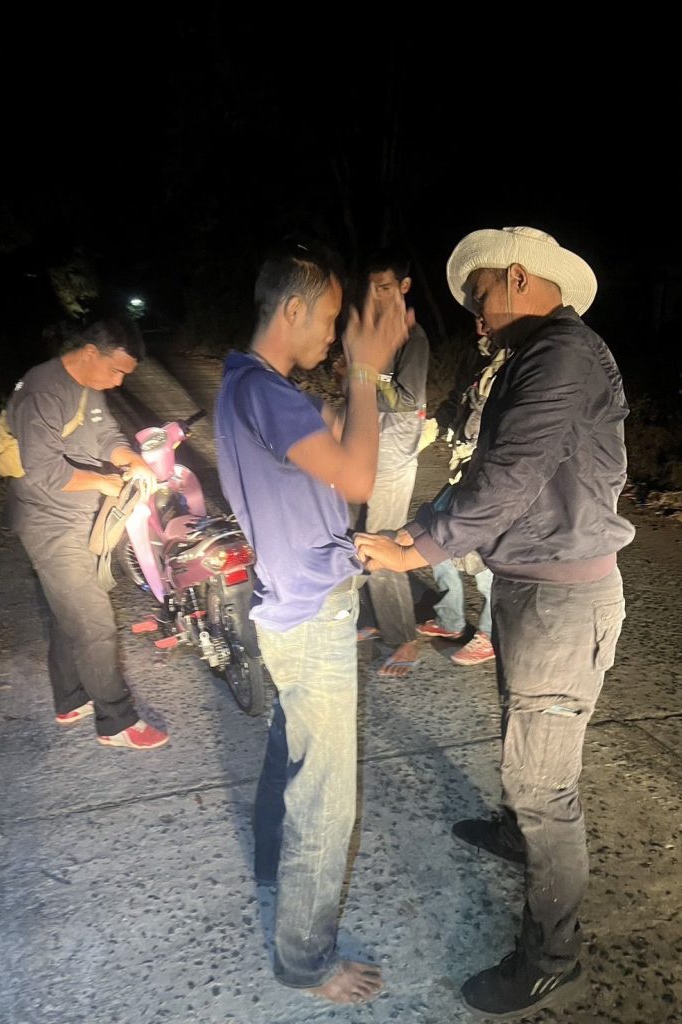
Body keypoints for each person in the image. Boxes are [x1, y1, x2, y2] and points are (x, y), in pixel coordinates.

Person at [354, 226, 634, 1019]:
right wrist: (414, 533)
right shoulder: (533, 356)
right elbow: (483, 470)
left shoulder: (561, 355)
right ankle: (517, 832)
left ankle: (552, 960)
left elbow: (510, 477)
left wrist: (418, 550)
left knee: (545, 789)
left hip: (561, 600)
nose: (474, 316)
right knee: (523, 744)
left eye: (479, 296)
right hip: (531, 587)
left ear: (517, 277)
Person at [214, 238, 409, 1004]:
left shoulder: (244, 383)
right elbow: (358, 477)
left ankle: (272, 866)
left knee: (287, 753)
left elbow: (319, 457)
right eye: (328, 319)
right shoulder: (268, 393)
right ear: (292, 309)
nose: (332, 333)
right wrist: (365, 371)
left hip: (285, 606)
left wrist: (338, 403)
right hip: (311, 615)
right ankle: (305, 962)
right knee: (325, 802)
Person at [5, 311, 170, 750]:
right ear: (91, 352)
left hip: (79, 516)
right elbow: (42, 473)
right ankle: (116, 722)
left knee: (71, 611)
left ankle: (70, 699)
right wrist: (103, 482)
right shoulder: (42, 390)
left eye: (125, 375)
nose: (118, 382)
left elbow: (105, 435)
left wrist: (131, 460)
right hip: (48, 522)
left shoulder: (89, 385)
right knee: (94, 620)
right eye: (116, 370)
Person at [337, 248, 429, 678]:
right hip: (361, 448)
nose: (376, 295)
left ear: (404, 286)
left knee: (382, 541)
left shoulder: (413, 338)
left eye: (386, 287)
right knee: (353, 530)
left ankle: (404, 638)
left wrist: (367, 374)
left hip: (392, 453)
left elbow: (407, 399)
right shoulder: (366, 331)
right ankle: (373, 617)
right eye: (371, 288)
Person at [415, 322, 509, 666]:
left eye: (484, 306)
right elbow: (456, 402)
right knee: (431, 532)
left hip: (491, 475)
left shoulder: (521, 361)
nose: (479, 321)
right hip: (464, 470)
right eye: (476, 310)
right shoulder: (478, 357)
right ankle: (451, 618)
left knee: (484, 557)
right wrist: (426, 433)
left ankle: (491, 633)